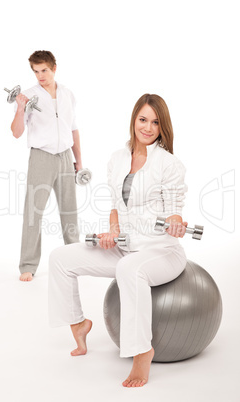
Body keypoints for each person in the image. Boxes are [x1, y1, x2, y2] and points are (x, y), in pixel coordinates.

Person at [48, 94, 188, 387]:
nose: (148, 127)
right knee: (60, 258)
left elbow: (175, 212)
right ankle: (78, 324)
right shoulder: (117, 158)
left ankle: (141, 352)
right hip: (125, 249)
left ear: (163, 127)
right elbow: (115, 206)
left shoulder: (169, 164)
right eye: (143, 119)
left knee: (130, 269)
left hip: (161, 252)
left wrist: (175, 223)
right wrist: (112, 233)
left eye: (155, 122)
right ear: (134, 118)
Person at [11, 50, 82, 282]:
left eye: (44, 70)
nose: (40, 76)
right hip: (41, 157)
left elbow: (73, 129)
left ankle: (75, 260)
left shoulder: (68, 94)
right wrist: (21, 108)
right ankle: (28, 265)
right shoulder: (29, 96)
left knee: (69, 211)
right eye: (36, 71)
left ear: (54, 68)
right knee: (34, 212)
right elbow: (16, 133)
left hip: (64, 157)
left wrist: (78, 161)